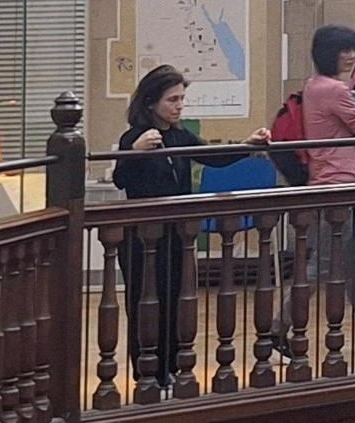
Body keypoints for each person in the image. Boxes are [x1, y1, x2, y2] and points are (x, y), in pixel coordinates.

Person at [111, 65, 269, 390]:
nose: (179, 106)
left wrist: (247, 144)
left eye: (182, 98)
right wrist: (134, 152)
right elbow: (120, 179)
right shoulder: (135, 136)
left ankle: (169, 366)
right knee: (144, 303)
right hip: (143, 237)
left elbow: (211, 156)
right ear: (152, 102)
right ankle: (146, 371)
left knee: (172, 300)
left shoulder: (180, 134)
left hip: (176, 234)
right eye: (172, 99)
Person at [301, 25, 355, 281]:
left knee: (351, 255)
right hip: (340, 178)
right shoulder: (337, 90)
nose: (351, 55)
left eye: (353, 49)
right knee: (325, 262)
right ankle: (282, 320)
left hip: (325, 175)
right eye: (345, 49)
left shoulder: (312, 85)